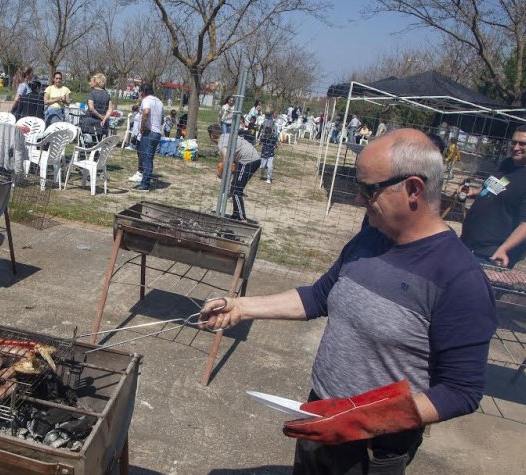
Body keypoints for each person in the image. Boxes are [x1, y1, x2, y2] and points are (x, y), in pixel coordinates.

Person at [199, 128, 496, 475]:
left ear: (413, 189)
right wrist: (242, 306)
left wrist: (362, 420)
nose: (358, 200)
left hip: (373, 447)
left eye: (368, 189)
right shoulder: (370, 237)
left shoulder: (460, 280)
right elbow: (319, 295)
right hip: (319, 414)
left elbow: (461, 391)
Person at [460, 125, 526, 268]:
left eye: (523, 144)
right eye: (513, 142)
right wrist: (474, 192)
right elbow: (496, 185)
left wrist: (504, 249)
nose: (516, 147)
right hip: (467, 243)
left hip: (490, 254)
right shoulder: (507, 164)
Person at [209, 123, 262, 222]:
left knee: (236, 190)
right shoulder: (227, 135)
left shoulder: (221, 142)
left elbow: (225, 157)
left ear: (212, 136)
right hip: (250, 159)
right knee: (234, 187)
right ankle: (236, 214)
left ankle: (242, 218)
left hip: (248, 161)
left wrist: (221, 173)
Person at [134, 83, 163, 192]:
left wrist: (142, 126)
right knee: (149, 158)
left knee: (145, 158)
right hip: (157, 133)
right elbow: (162, 118)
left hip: (149, 132)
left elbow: (146, 112)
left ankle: (144, 184)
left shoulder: (146, 100)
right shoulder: (159, 102)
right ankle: (145, 180)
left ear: (144, 92)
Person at [83, 73, 111, 138]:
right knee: (99, 144)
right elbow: (110, 109)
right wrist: (104, 119)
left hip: (90, 123)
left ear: (96, 83)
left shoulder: (92, 93)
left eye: (91, 81)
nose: (89, 83)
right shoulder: (107, 94)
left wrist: (100, 116)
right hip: (102, 124)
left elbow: (91, 108)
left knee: (88, 144)